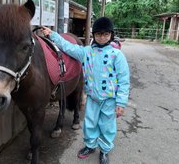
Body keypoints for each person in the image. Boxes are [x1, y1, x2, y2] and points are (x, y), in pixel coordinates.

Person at [41, 17, 130, 164]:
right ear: (94, 35)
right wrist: (52, 34)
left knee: (107, 126)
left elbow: (124, 80)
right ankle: (90, 146)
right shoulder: (86, 52)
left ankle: (104, 150)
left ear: (111, 35)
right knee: (90, 123)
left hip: (109, 99)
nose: (102, 37)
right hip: (93, 98)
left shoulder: (117, 55)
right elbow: (67, 46)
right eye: (99, 34)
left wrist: (121, 103)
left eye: (106, 34)